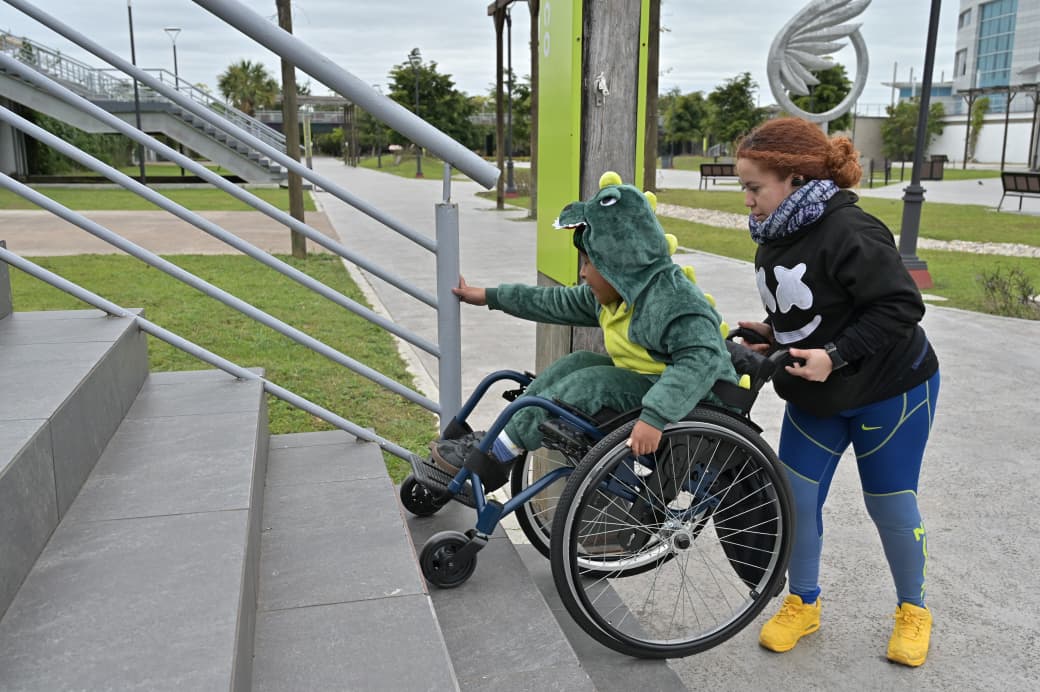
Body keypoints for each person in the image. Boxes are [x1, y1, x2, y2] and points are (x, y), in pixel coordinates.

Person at [733, 117, 941, 667]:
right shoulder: (775, 231)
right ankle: (803, 602)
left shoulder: (852, 230)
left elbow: (900, 307)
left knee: (889, 505)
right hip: (818, 395)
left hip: (891, 390)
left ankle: (913, 610)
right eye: (744, 188)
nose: (748, 201)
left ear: (796, 180)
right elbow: (817, 305)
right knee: (796, 501)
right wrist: (773, 333)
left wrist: (836, 355)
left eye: (755, 188)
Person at [429, 173, 737, 478]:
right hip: (654, 382)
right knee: (577, 363)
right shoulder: (617, 294)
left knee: (593, 384)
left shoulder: (672, 300)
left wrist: (656, 416)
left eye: (589, 263)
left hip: (698, 400)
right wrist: (489, 296)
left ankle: (497, 453)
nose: (583, 273)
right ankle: (500, 440)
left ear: (617, 264)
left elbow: (702, 359)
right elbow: (552, 302)